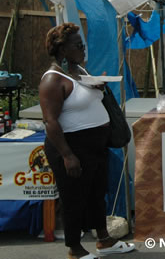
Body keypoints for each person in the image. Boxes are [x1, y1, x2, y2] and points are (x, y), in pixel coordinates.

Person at [39, 23, 135, 259]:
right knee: (74, 198)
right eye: (78, 45)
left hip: (95, 147)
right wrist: (67, 155)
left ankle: (104, 240)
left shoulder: (79, 71)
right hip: (71, 147)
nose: (84, 48)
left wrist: (98, 86)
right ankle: (75, 249)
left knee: (96, 194)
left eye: (83, 44)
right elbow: (50, 121)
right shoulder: (53, 80)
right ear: (62, 49)